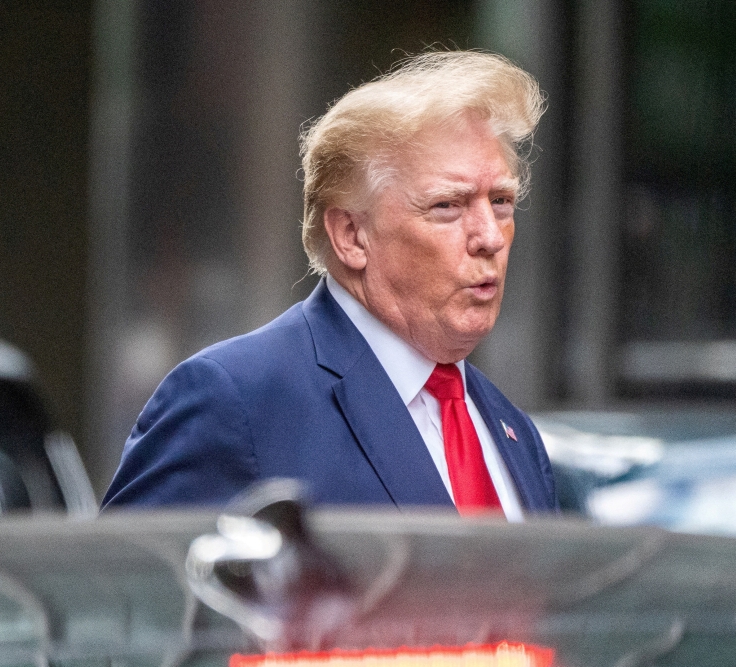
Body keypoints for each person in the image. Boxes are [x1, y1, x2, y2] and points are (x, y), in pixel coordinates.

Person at [101, 51, 557, 518]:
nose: (489, 236)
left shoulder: (512, 430)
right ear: (351, 236)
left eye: (501, 201)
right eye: (448, 205)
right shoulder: (234, 400)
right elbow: (122, 586)